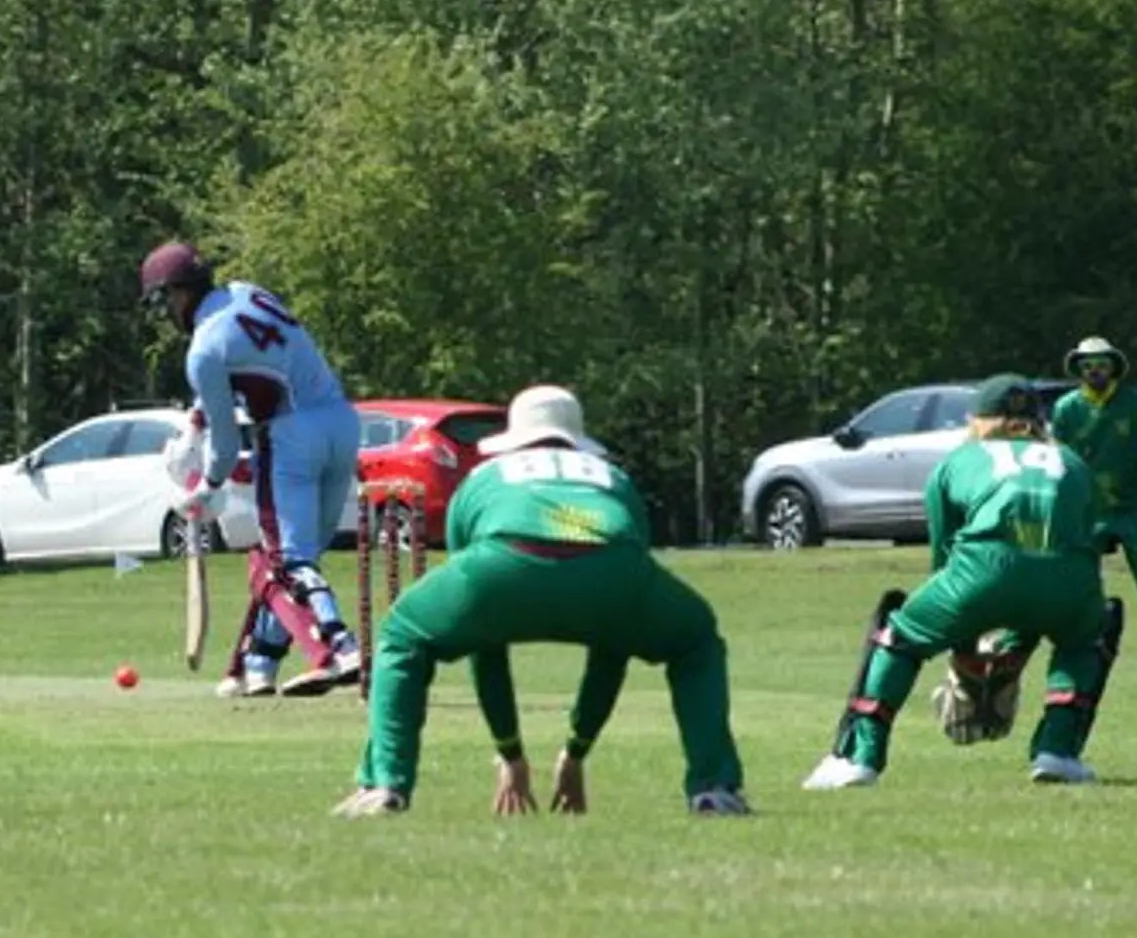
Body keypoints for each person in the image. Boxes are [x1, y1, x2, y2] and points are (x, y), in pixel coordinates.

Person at [331, 385, 749, 818]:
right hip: (610, 568)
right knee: (696, 639)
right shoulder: (613, 477)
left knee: (402, 634)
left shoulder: (484, 476)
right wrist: (577, 749)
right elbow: (614, 646)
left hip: (504, 562)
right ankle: (714, 789)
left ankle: (385, 785)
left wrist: (509, 750)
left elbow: (483, 642)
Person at [803, 374, 1115, 790]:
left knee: (898, 636)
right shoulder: (1073, 462)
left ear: (983, 420)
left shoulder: (959, 460)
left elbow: (946, 561)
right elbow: (1083, 546)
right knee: (1086, 639)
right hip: (1072, 579)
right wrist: (1012, 652)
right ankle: (1058, 751)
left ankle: (859, 757)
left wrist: (965, 657)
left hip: (983, 569)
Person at [139, 241, 361, 698]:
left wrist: (207, 486)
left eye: (165, 301)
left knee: (288, 560)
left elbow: (225, 444)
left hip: (290, 434)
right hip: (342, 422)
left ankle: (341, 645)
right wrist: (194, 422)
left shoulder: (202, 350)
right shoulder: (247, 291)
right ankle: (258, 662)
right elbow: (252, 364)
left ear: (179, 293)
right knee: (300, 560)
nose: (167, 313)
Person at [1049, 336, 1137, 652]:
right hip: (1087, 508)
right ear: (1079, 369)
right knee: (1080, 577)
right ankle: (1086, 639)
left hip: (1133, 507)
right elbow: (1055, 461)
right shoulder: (1066, 408)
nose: (1094, 371)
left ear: (1113, 368)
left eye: (1101, 364)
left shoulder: (1135, 403)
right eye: (1087, 365)